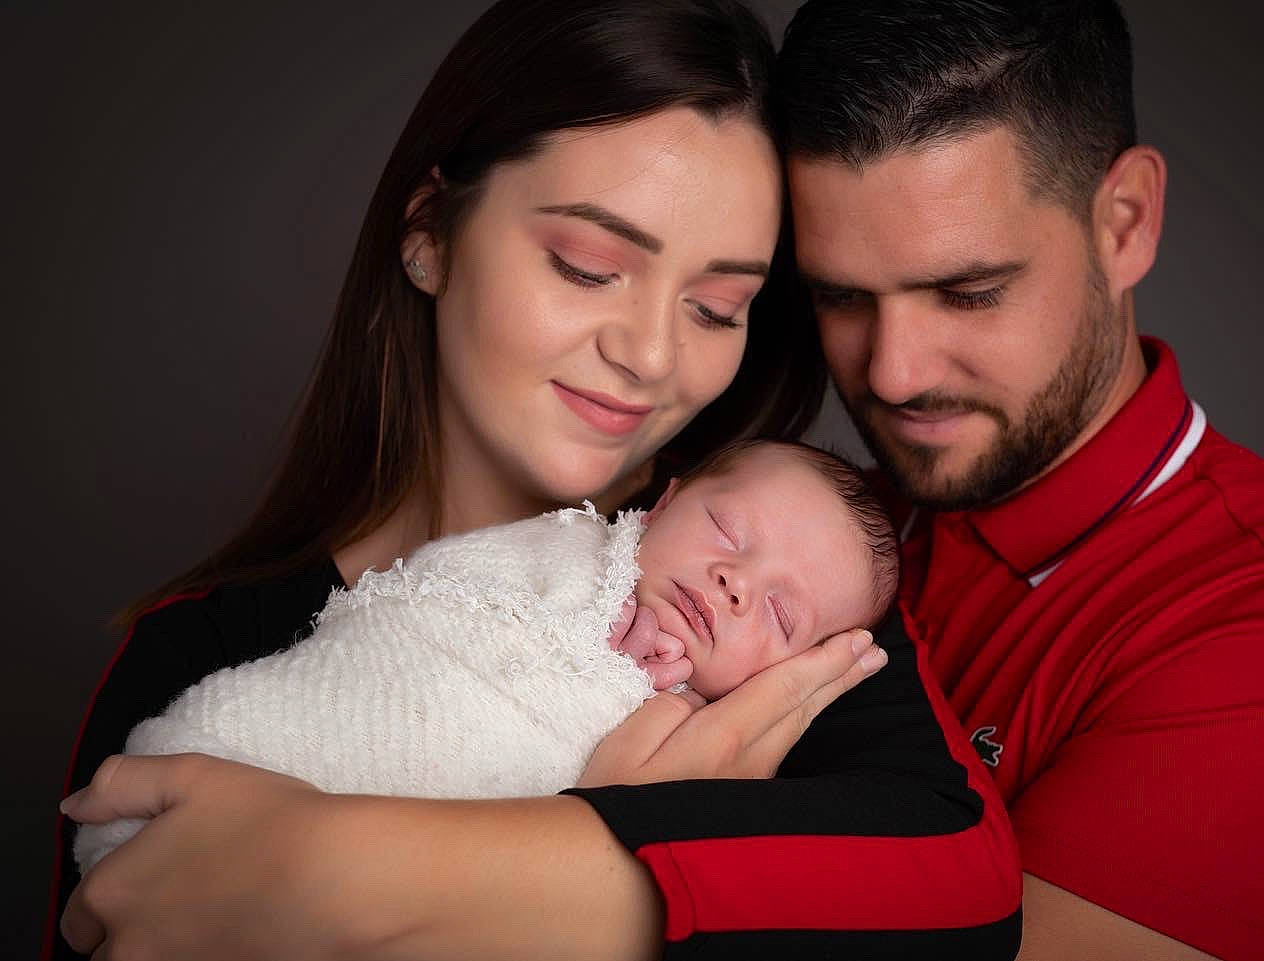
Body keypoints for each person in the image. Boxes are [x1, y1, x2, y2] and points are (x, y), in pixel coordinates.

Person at [48, 2, 1023, 959]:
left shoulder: (781, 577)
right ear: (430, 233)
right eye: (588, 266)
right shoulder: (200, 653)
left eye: (717, 308)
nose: (650, 354)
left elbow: (964, 899)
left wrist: (344, 868)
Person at [773, 1, 1264, 959]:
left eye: (969, 292)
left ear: (1126, 222)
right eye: (840, 297)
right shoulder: (802, 515)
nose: (893, 372)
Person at [72, 440, 901, 873]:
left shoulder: (711, 741)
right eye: (726, 530)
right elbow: (444, 600)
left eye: (780, 613)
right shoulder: (567, 547)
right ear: (666, 503)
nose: (734, 583)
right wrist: (594, 634)